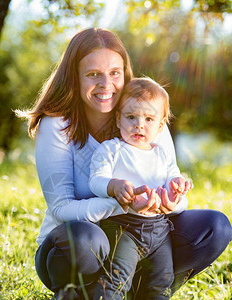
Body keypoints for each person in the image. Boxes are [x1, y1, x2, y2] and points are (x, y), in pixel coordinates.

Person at [18, 28, 232, 300]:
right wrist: (122, 201)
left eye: (114, 73)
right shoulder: (58, 125)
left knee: (216, 227)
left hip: (148, 237)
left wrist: (171, 200)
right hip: (75, 247)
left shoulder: (147, 117)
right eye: (93, 74)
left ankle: (144, 291)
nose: (106, 84)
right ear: (75, 77)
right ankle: (84, 295)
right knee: (86, 240)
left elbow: (170, 182)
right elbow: (61, 208)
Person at [89, 77, 193, 299]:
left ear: (161, 124)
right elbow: (96, 180)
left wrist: (178, 186)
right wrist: (114, 186)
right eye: (131, 117)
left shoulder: (161, 153)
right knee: (117, 278)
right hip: (123, 227)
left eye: (148, 118)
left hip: (159, 230)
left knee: (162, 281)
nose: (139, 125)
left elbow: (172, 177)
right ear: (118, 119)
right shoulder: (112, 150)